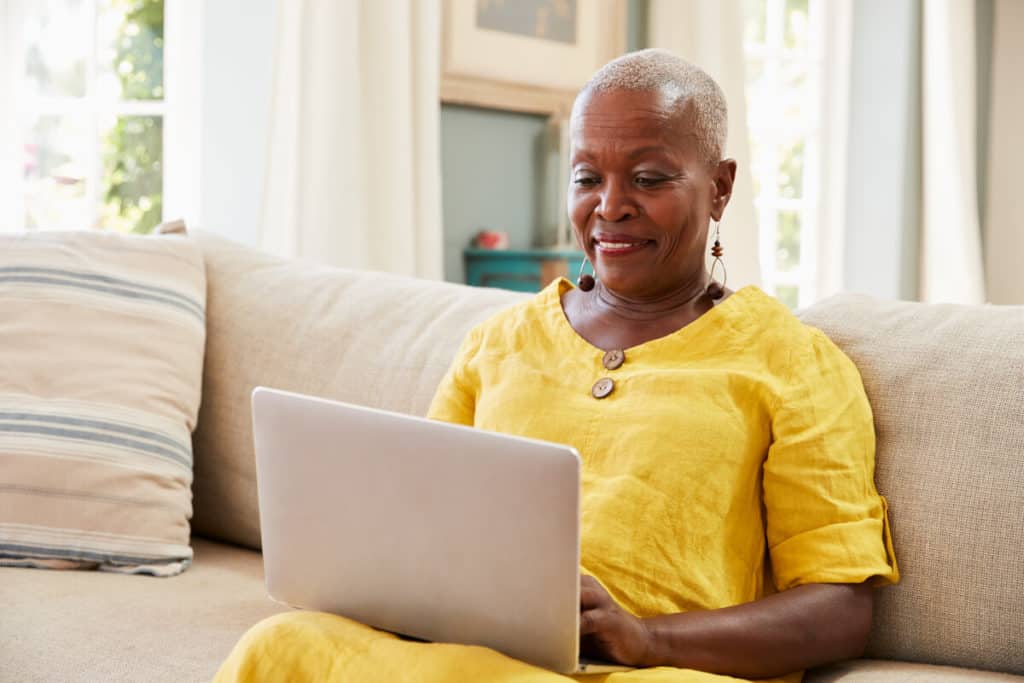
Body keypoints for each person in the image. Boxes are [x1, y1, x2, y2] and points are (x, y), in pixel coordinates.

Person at [216, 48, 898, 683]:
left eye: (648, 177)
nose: (609, 206)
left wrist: (648, 637)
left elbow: (840, 608)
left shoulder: (796, 363)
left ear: (719, 188)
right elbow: (419, 533)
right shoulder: (499, 343)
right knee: (277, 645)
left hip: (655, 671)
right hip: (478, 657)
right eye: (586, 177)